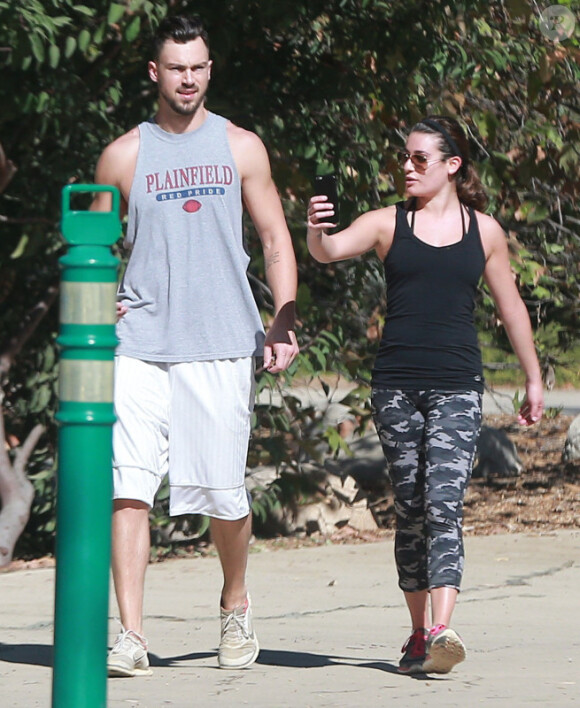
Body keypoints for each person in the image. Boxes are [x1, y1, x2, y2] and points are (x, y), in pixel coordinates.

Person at [91, 15, 299, 677]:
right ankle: (130, 635)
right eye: (176, 67)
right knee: (128, 488)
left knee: (223, 495)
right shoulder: (124, 155)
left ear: (209, 70)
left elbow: (273, 239)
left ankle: (235, 603)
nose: (187, 78)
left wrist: (283, 320)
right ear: (155, 73)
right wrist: (101, 306)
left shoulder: (242, 147)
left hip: (220, 342)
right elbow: (92, 251)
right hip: (139, 346)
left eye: (198, 66)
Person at [307, 115, 544, 675]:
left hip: (458, 385)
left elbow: (511, 307)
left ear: (452, 166)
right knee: (411, 507)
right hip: (395, 386)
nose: (407, 168)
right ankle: (419, 636)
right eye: (405, 158)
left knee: (443, 502)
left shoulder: (484, 231)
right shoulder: (388, 223)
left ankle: (442, 627)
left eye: (419, 159)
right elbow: (328, 252)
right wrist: (317, 229)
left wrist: (533, 377)